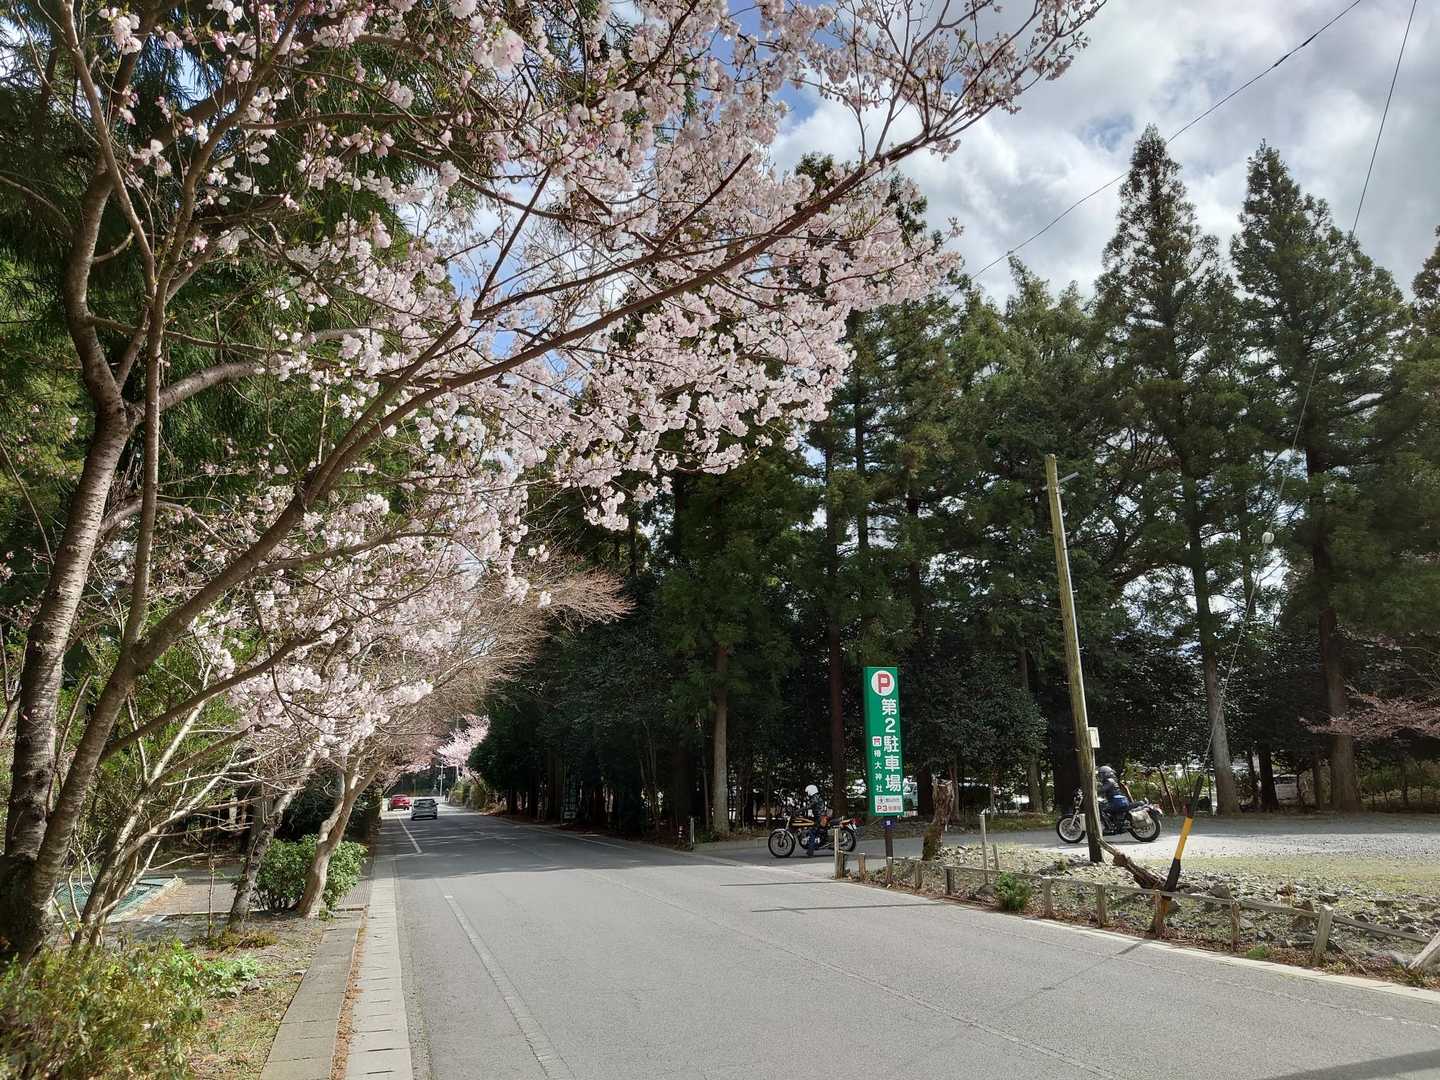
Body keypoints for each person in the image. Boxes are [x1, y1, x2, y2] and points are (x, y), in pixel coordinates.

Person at [1097, 765, 1130, 829]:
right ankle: (1114, 822)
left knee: (1101, 810)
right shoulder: (1111, 780)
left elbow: (1103, 789)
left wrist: (1094, 792)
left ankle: (1109, 827)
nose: (1100, 776)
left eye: (1102, 774)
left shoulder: (1109, 781)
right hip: (1119, 801)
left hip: (1117, 802)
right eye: (1100, 774)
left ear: (1106, 774)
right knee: (1106, 806)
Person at [800, 784, 827, 854]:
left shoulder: (815, 798)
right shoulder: (817, 797)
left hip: (820, 818)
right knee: (813, 830)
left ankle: (810, 851)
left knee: (812, 832)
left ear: (811, 791)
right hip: (820, 817)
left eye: (808, 792)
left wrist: (799, 810)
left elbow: (809, 806)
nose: (807, 794)